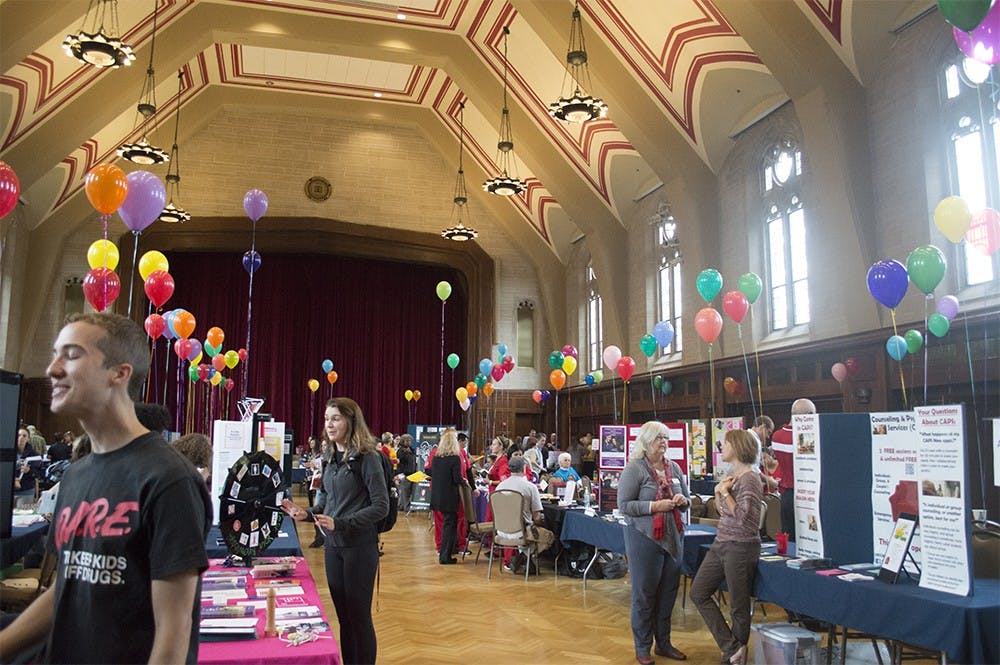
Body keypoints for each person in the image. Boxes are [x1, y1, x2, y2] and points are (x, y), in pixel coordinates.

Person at [0, 312, 211, 664]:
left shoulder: (169, 481)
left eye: (71, 355)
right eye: (55, 354)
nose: (52, 369)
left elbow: (173, 636)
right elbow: (65, 588)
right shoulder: (76, 475)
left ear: (119, 372)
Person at [281, 397, 387, 665]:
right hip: (333, 547)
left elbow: (381, 506)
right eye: (327, 418)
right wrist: (305, 515)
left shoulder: (368, 458)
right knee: (343, 617)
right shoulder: (329, 458)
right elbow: (325, 503)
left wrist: (341, 523)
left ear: (351, 421)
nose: (329, 424)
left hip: (359, 547)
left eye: (336, 418)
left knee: (359, 617)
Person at [617, 421, 690, 664]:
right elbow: (624, 506)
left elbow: (689, 500)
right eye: (659, 437)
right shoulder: (634, 469)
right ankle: (642, 647)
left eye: (666, 438)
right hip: (644, 539)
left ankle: (664, 643)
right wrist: (654, 506)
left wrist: (681, 500)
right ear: (647, 441)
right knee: (644, 595)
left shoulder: (675, 468)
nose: (664, 442)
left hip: (674, 539)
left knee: (668, 593)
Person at [690, 430, 763, 665]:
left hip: (741, 547)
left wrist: (723, 493)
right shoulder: (734, 476)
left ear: (738, 447)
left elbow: (745, 519)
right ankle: (732, 648)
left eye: (727, 443)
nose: (722, 447)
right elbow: (724, 512)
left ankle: (735, 657)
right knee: (698, 592)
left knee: (738, 607)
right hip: (722, 543)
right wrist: (719, 493)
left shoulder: (751, 478)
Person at [495, 456, 555, 573]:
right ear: (524, 468)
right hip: (521, 532)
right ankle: (525, 557)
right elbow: (537, 517)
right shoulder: (530, 487)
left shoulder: (500, 486)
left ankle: (521, 558)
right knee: (549, 536)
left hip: (501, 531)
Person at [770, 398, 816, 540]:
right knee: (808, 537)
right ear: (808, 415)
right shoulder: (807, 437)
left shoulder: (776, 436)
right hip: (806, 494)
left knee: (788, 537)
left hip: (786, 495)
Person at [428, 429, 466, 564]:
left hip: (437, 496)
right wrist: (464, 481)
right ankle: (445, 556)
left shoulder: (437, 458)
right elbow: (456, 479)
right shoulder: (455, 458)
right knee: (449, 526)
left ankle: (444, 553)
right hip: (449, 498)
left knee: (444, 526)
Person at [396, 433, 417, 512]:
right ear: (403, 441)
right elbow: (400, 463)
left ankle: (401, 506)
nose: (410, 442)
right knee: (405, 492)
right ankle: (407, 507)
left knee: (408, 491)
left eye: (410, 440)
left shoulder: (411, 449)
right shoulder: (400, 451)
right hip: (404, 474)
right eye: (407, 441)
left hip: (412, 474)